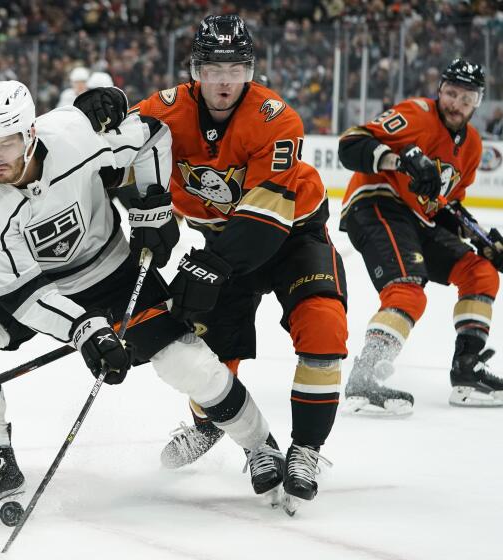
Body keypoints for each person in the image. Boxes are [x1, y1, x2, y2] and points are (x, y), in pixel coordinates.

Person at [0, 80, 283, 528]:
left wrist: (153, 206)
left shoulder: (75, 138)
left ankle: (261, 445)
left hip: (111, 272)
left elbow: (152, 135)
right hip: (40, 286)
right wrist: (86, 332)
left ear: (31, 134)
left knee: (187, 364)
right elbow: (25, 295)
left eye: (6, 142)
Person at [75, 15, 348, 513]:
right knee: (210, 357)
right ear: (195, 69)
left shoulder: (276, 118)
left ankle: (305, 449)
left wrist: (207, 269)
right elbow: (105, 147)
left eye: (236, 67)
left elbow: (266, 216)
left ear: (250, 70)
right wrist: (92, 113)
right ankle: (210, 425)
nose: (224, 80)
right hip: (224, 241)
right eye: (213, 67)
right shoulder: (167, 108)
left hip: (291, 236)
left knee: (324, 328)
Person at [338, 58, 503, 414]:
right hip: (376, 202)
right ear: (439, 91)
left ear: (478, 102)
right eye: (451, 93)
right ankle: (363, 378)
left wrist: (482, 241)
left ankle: (467, 371)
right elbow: (351, 145)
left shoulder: (472, 147)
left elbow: (445, 207)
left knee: (480, 273)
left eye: (466, 97)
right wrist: (401, 161)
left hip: (418, 218)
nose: (455, 103)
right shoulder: (416, 114)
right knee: (408, 289)